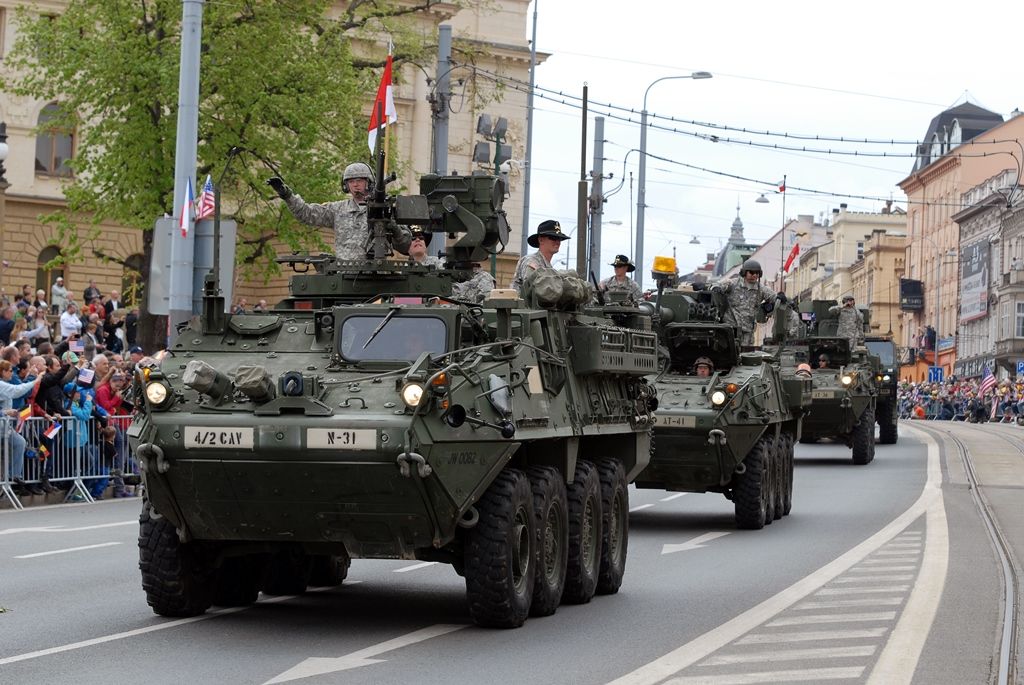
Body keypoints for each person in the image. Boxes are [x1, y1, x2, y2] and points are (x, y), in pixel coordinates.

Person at [267, 163, 412, 260]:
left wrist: (393, 226)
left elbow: (405, 245)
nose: (355, 185)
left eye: (360, 180)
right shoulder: (338, 209)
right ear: (346, 185)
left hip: (376, 276)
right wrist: (287, 195)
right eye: (351, 181)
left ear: (369, 182)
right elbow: (307, 214)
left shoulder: (386, 209)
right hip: (344, 274)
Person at [710, 259, 780, 346]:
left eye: (757, 273)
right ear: (744, 273)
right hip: (730, 328)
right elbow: (717, 286)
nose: (754, 275)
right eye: (751, 272)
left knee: (746, 356)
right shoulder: (733, 284)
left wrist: (781, 298)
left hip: (748, 332)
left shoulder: (761, 289)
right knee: (727, 354)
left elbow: (774, 297)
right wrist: (716, 288)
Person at [0, 360, 43, 495]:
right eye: (10, 370)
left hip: (4, 427)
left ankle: (14, 474)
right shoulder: (1, 385)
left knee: (20, 442)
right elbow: (17, 391)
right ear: (3, 372)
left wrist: (8, 411)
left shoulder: (4, 384)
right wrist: (36, 379)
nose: (12, 373)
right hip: (2, 425)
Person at [511, 220, 568, 293]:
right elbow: (534, 289)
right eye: (553, 238)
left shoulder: (549, 267)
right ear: (541, 240)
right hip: (524, 303)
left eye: (559, 239)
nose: (557, 242)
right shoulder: (531, 261)